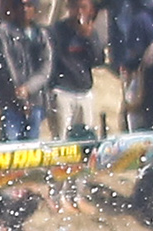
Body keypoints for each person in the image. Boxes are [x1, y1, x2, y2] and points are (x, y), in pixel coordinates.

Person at [0, 0, 51, 141]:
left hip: (35, 100)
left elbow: (45, 68)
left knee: (31, 149)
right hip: (11, 100)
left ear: (35, 9)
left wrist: (29, 88)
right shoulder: (4, 31)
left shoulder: (41, 34)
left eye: (29, 5)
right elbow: (7, 64)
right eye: (20, 5)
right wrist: (20, 93)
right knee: (9, 148)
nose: (24, 9)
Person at [49, 0, 101, 139]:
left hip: (84, 91)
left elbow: (98, 60)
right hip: (63, 91)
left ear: (90, 10)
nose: (79, 12)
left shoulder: (90, 31)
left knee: (86, 137)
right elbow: (50, 61)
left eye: (83, 8)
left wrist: (88, 38)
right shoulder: (56, 31)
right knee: (62, 138)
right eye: (76, 7)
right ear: (69, 8)